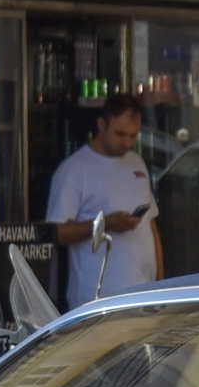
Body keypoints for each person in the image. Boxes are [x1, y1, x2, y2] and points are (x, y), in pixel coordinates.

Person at [47, 93, 161, 305]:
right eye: (120, 134)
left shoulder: (136, 163)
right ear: (101, 125)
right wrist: (105, 224)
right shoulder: (74, 170)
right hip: (98, 298)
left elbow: (150, 226)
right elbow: (56, 233)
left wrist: (161, 283)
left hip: (144, 293)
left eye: (133, 136)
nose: (127, 143)